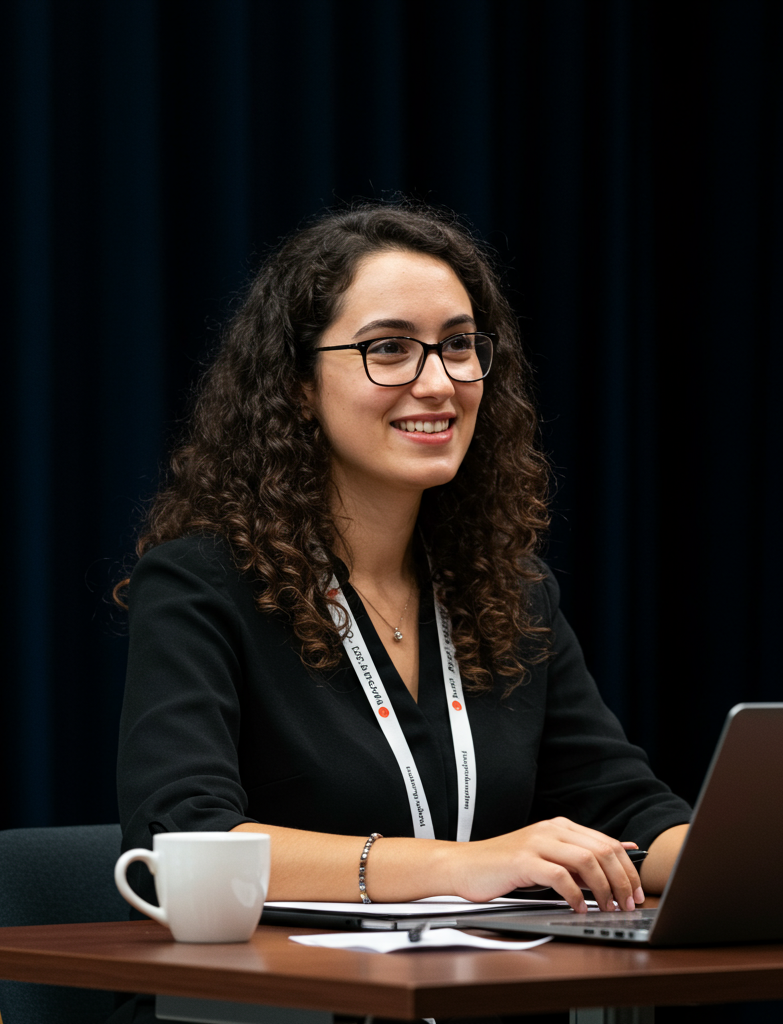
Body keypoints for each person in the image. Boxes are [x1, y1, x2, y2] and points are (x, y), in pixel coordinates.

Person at [115, 203, 691, 933]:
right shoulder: (201, 582)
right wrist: (469, 866)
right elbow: (179, 839)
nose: (439, 383)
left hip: (470, 989)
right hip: (271, 1002)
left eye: (458, 345)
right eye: (388, 348)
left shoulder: (509, 593)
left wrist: (753, 853)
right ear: (296, 383)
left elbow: (628, 808)